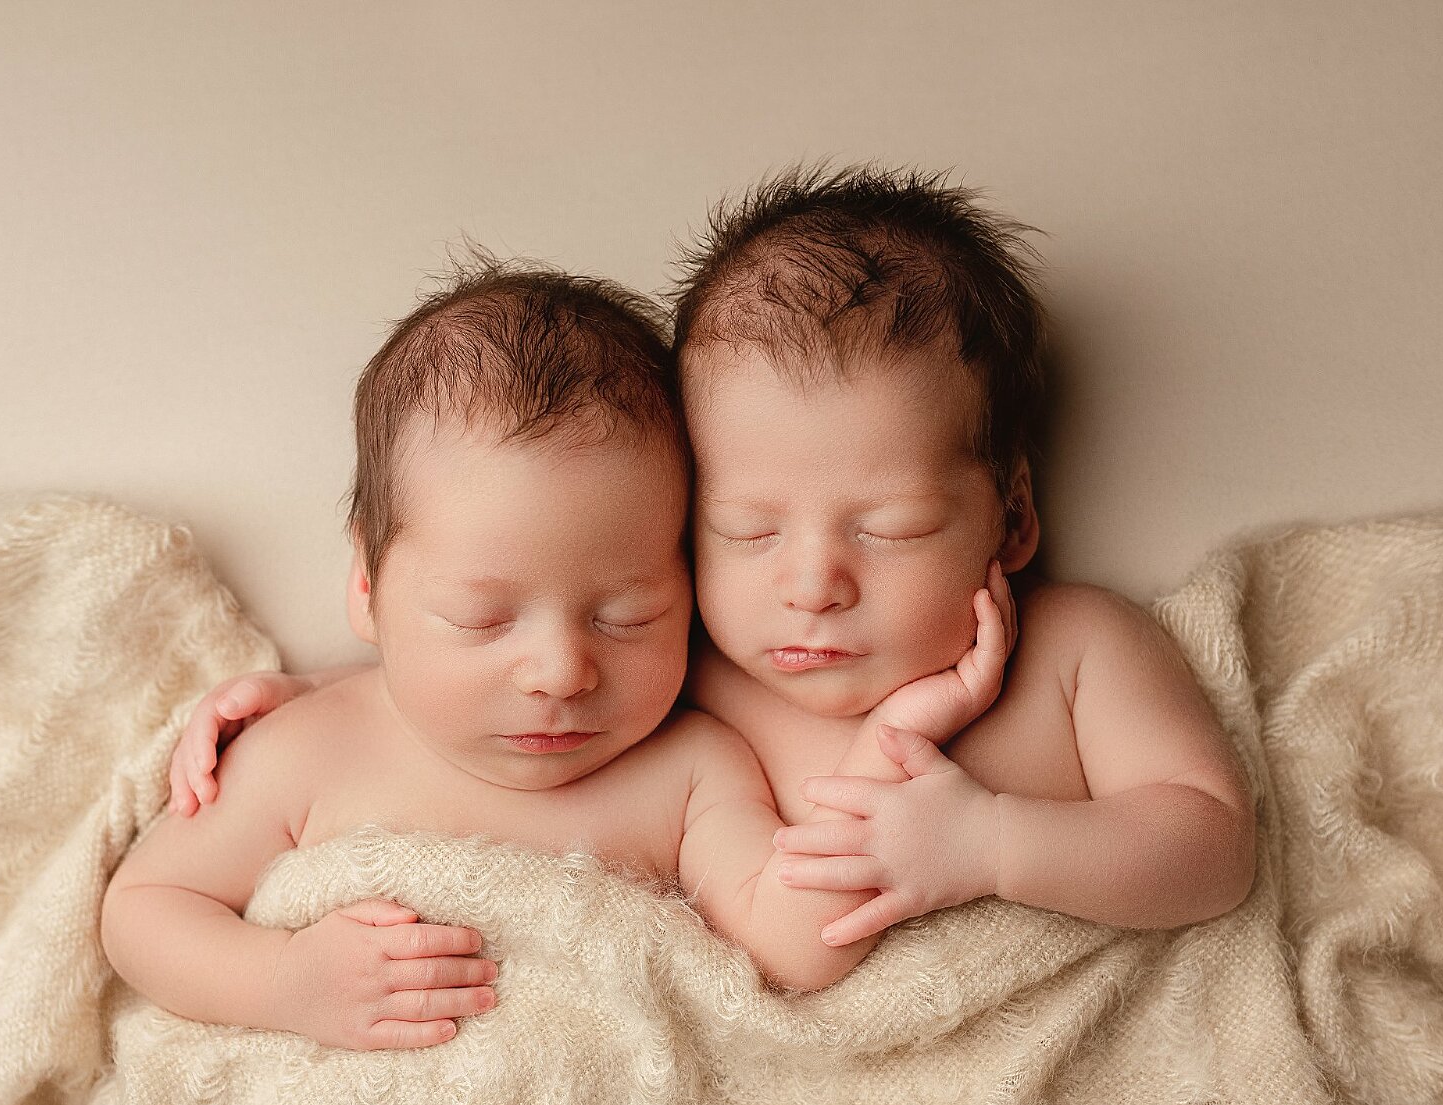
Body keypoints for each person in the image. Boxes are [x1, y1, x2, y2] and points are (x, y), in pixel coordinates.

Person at [170, 164, 1255, 965]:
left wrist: (995, 841)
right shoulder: (694, 674)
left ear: (1012, 512)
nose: (812, 583)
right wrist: (307, 692)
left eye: (888, 527)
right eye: (745, 532)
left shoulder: (1079, 647)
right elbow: (520, 668)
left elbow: (1211, 847)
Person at [103, 259, 1010, 1053]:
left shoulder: (691, 771)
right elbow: (142, 912)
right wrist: (282, 982)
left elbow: (798, 948)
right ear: (370, 591)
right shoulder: (308, 749)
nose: (560, 673)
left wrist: (890, 744)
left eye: (628, 616)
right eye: (481, 620)